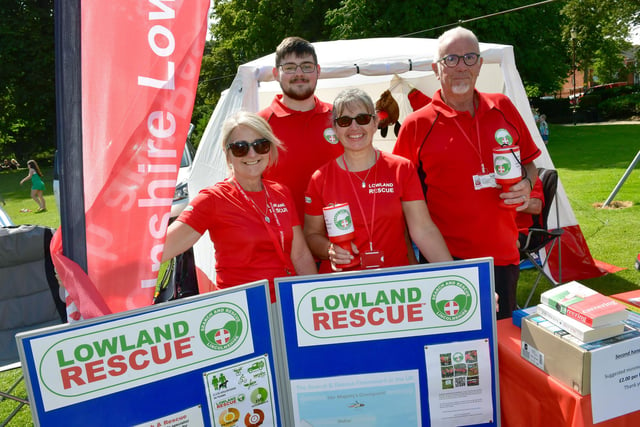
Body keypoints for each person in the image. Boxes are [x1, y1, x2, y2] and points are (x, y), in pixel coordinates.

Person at [393, 27, 541, 319]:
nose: (461, 66)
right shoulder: (416, 125)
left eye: (469, 57)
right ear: (436, 68)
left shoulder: (502, 107)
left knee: (500, 349)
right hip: (445, 261)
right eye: (451, 59)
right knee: (451, 356)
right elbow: (398, 197)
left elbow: (530, 163)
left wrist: (527, 182)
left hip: (503, 256)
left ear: (480, 65)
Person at [162, 111, 317, 302]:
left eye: (260, 145)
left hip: (287, 303)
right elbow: (160, 250)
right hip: (243, 311)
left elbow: (300, 254)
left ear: (270, 149)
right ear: (227, 154)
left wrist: (314, 296)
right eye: (240, 148)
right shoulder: (213, 199)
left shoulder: (280, 192)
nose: (252, 154)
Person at [304, 88, 452, 273]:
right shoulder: (320, 179)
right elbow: (311, 235)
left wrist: (455, 274)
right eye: (344, 121)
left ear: (375, 123)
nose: (354, 127)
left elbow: (423, 229)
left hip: (393, 282)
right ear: (334, 129)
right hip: (343, 288)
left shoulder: (401, 168)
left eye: (363, 119)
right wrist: (329, 249)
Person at [259, 36, 343, 223]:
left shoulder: (340, 118)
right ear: (275, 73)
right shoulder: (259, 125)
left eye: (306, 66)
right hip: (284, 243)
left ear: (318, 71)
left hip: (341, 238)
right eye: (289, 68)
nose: (299, 74)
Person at [517, 177, 544, 250]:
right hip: (501, 229)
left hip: (525, 234)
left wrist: (505, 203)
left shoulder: (530, 179)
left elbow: (535, 207)